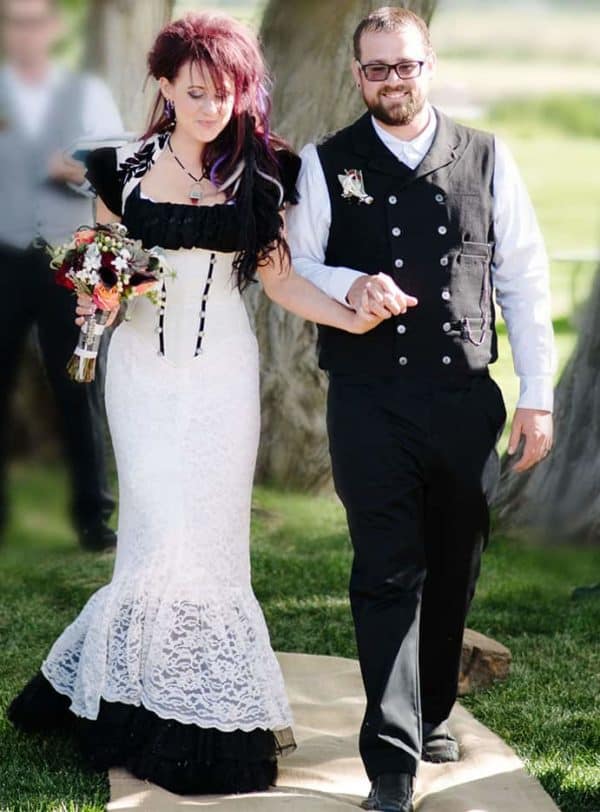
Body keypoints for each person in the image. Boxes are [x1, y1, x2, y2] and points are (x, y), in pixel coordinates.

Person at [6, 11, 380, 796]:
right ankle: (133, 702)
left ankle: (199, 711)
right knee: (154, 535)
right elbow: (106, 266)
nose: (215, 107)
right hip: (141, 374)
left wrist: (351, 314)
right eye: (199, 92)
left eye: (230, 93)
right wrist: (95, 303)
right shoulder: (120, 168)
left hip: (221, 379)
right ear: (168, 88)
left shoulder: (267, 170)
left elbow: (278, 281)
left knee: (206, 541)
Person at [287, 7, 555, 811]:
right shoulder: (326, 162)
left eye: (404, 66)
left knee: (454, 565)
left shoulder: (487, 157)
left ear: (428, 64)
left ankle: (435, 706)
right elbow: (301, 263)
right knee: (384, 573)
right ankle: (392, 763)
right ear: (357, 74)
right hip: (368, 402)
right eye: (376, 69)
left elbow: (526, 281)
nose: (391, 81)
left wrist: (537, 399)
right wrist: (350, 285)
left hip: (464, 400)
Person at [0, 0, 124, 551]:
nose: (24, 32)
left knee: (79, 384)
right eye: (12, 21)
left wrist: (73, 172)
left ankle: (93, 519)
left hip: (66, 262)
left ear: (51, 27)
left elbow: (118, 177)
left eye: (33, 21)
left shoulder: (88, 96)